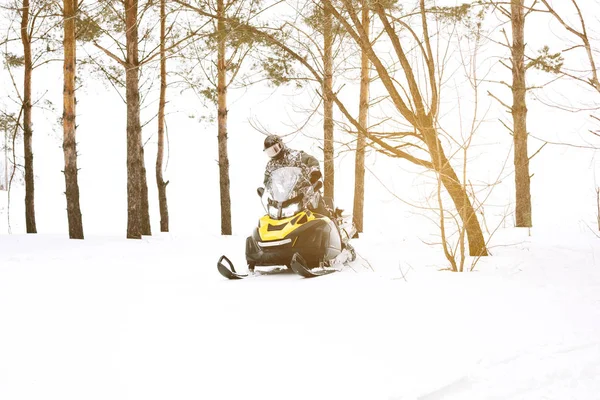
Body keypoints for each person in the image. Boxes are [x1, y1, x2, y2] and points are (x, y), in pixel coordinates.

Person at [262, 134, 332, 218]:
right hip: (285, 199)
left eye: (275, 149)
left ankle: (331, 221)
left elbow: (311, 160)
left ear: (281, 145)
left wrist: (314, 173)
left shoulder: (295, 155)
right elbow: (267, 180)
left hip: (305, 192)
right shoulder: (271, 165)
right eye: (270, 152)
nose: (274, 153)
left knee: (319, 210)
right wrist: (269, 191)